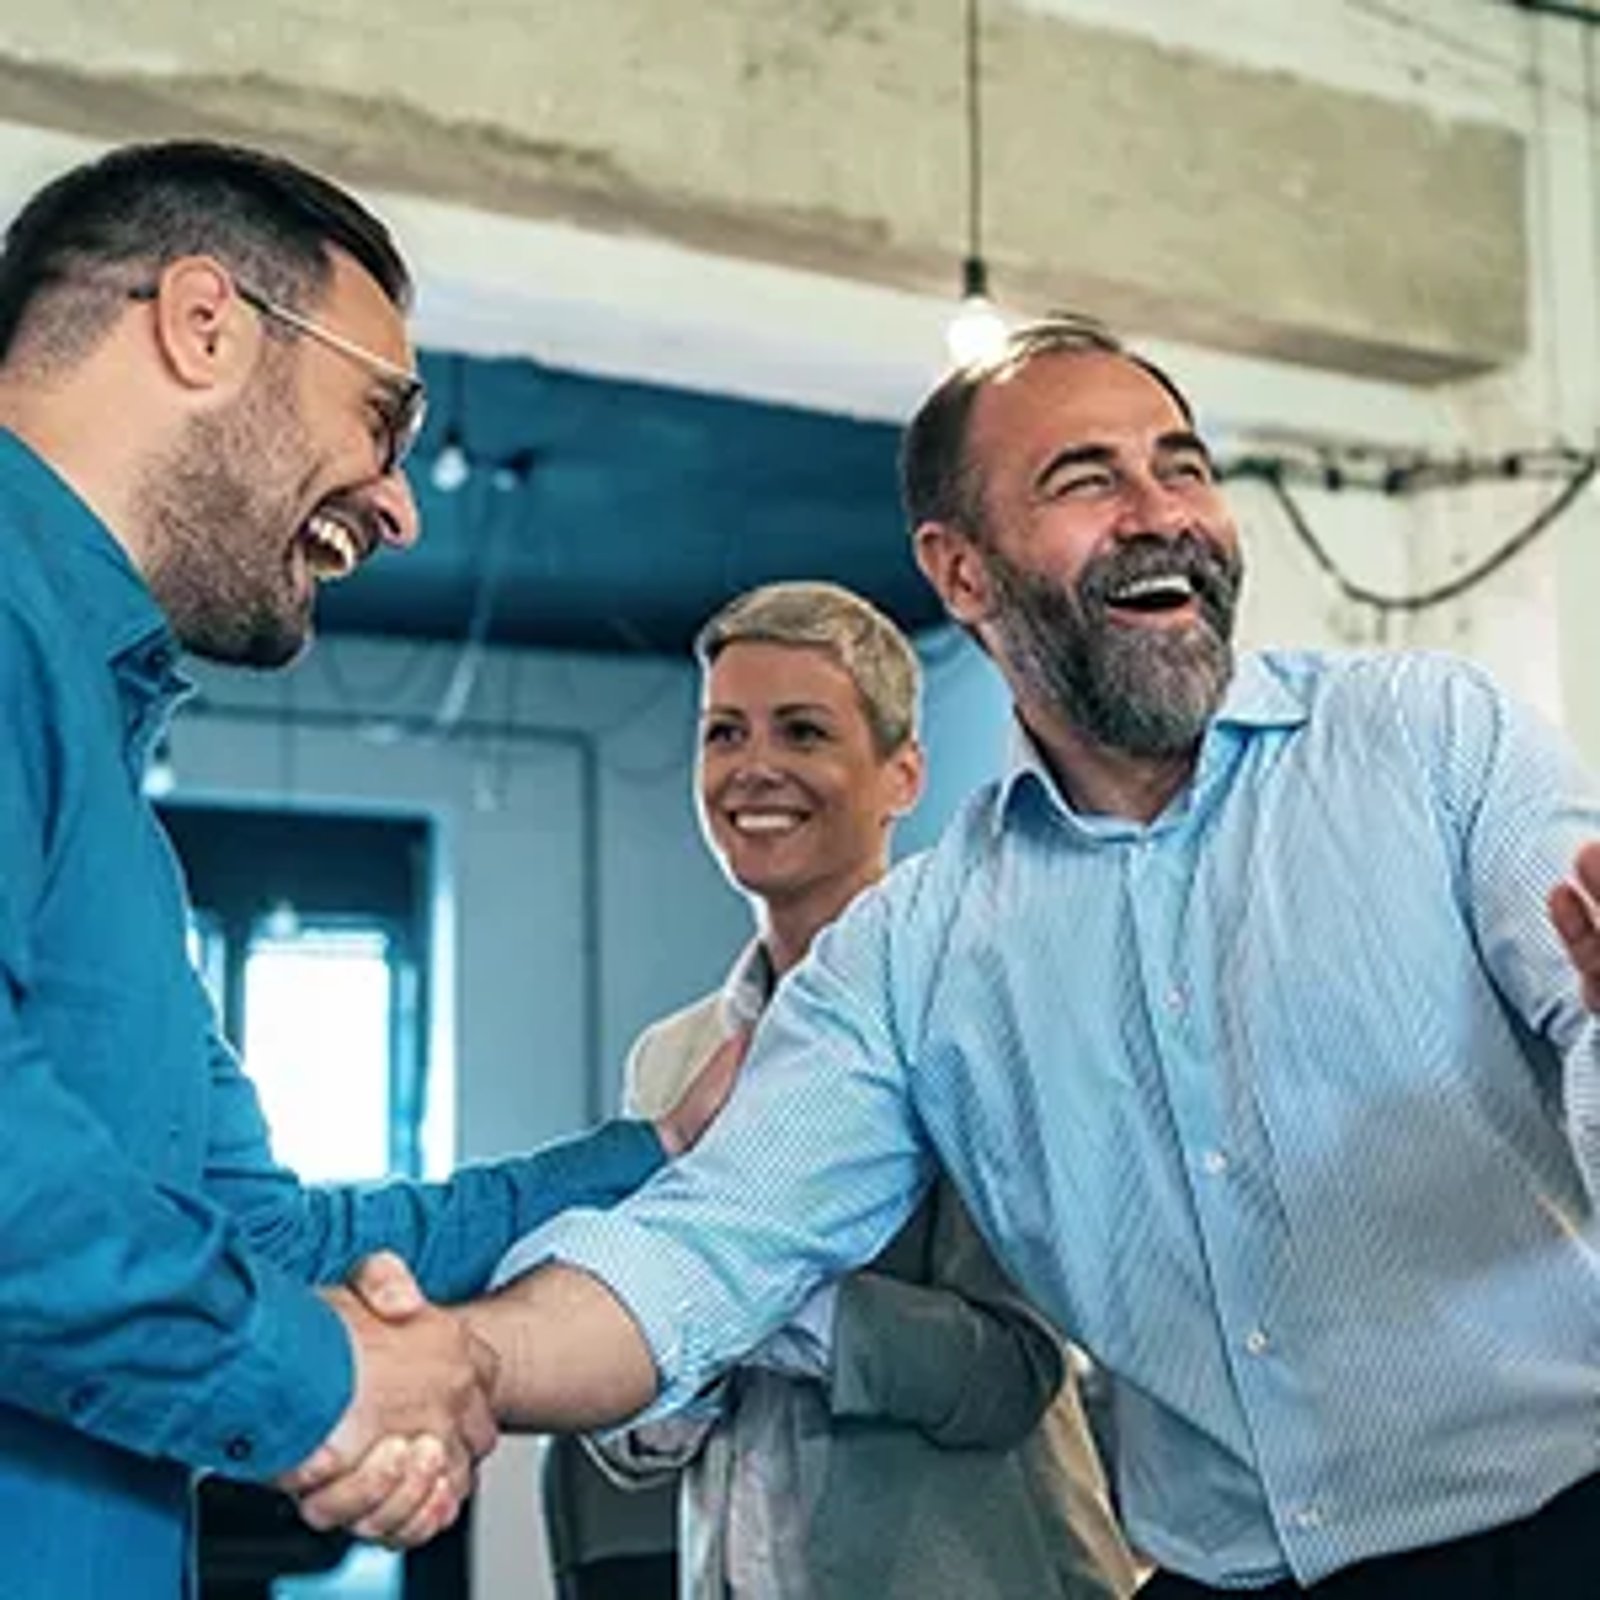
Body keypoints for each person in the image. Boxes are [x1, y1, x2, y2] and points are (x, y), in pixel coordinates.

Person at [320, 317, 1600, 1599]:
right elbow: (706, 1247)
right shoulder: (916, 951)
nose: (1161, 513)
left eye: (1185, 465)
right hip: (1229, 1574)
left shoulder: (1430, 741)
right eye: (1086, 479)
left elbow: (1584, 1016)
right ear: (963, 571)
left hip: (1561, 1519)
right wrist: (468, 1357)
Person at [0, 139, 737, 1597]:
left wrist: (651, 1157)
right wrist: (328, 1387)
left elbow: (263, 1234)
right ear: (202, 325)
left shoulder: (101, 778)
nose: (399, 506)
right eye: (384, 415)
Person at [581, 580, 1136, 1598]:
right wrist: (656, 1365)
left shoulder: (981, 1014)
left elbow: (1011, 1371)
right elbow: (636, 1437)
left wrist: (751, 1296)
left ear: (902, 774)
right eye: (723, 734)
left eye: (802, 732)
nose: (754, 768)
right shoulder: (671, 1057)